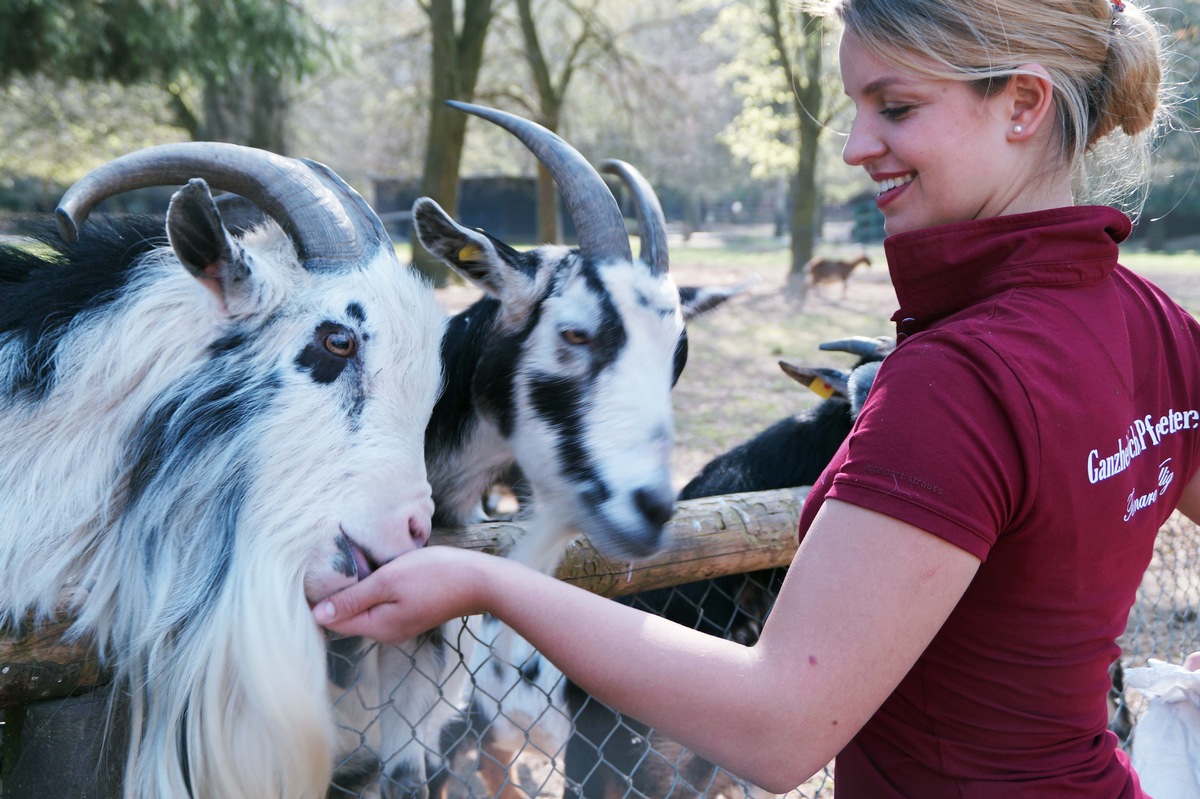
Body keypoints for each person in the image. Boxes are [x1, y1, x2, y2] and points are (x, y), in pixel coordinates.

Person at [314, 0, 1200, 795]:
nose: (856, 146)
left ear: (1024, 104)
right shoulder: (1157, 324)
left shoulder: (959, 379)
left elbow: (776, 728)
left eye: (895, 107)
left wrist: (486, 579)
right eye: (856, 108)